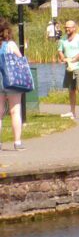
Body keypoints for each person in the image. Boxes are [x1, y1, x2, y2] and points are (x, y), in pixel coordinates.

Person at [0, 19, 25, 150]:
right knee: (15, 111)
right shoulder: (10, 45)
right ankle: (17, 142)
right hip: (11, 80)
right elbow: (20, 59)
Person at [57, 19, 79, 120]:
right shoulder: (63, 39)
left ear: (74, 28)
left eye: (69, 27)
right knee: (71, 90)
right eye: (65, 27)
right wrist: (63, 58)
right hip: (69, 68)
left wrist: (74, 59)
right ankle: (72, 112)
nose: (67, 29)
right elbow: (60, 51)